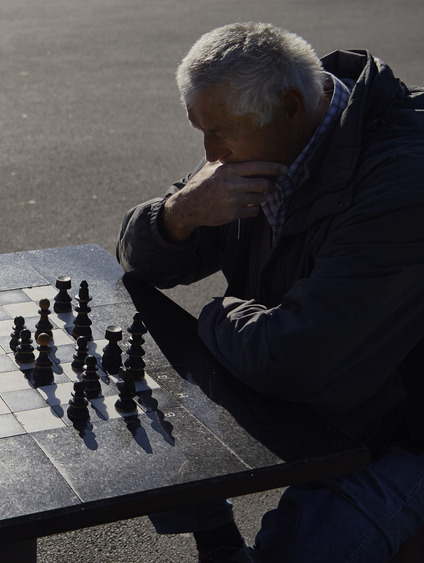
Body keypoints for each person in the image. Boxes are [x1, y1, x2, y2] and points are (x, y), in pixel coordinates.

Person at [116, 22, 424, 562]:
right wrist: (181, 212)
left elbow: (298, 358)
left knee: (299, 547)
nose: (210, 152)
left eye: (219, 132)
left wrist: (215, 314)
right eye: (200, 130)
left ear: (288, 104)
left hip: (409, 429)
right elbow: (140, 262)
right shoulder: (267, 141)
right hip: (340, 389)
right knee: (147, 388)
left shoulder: (401, 180)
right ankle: (218, 542)